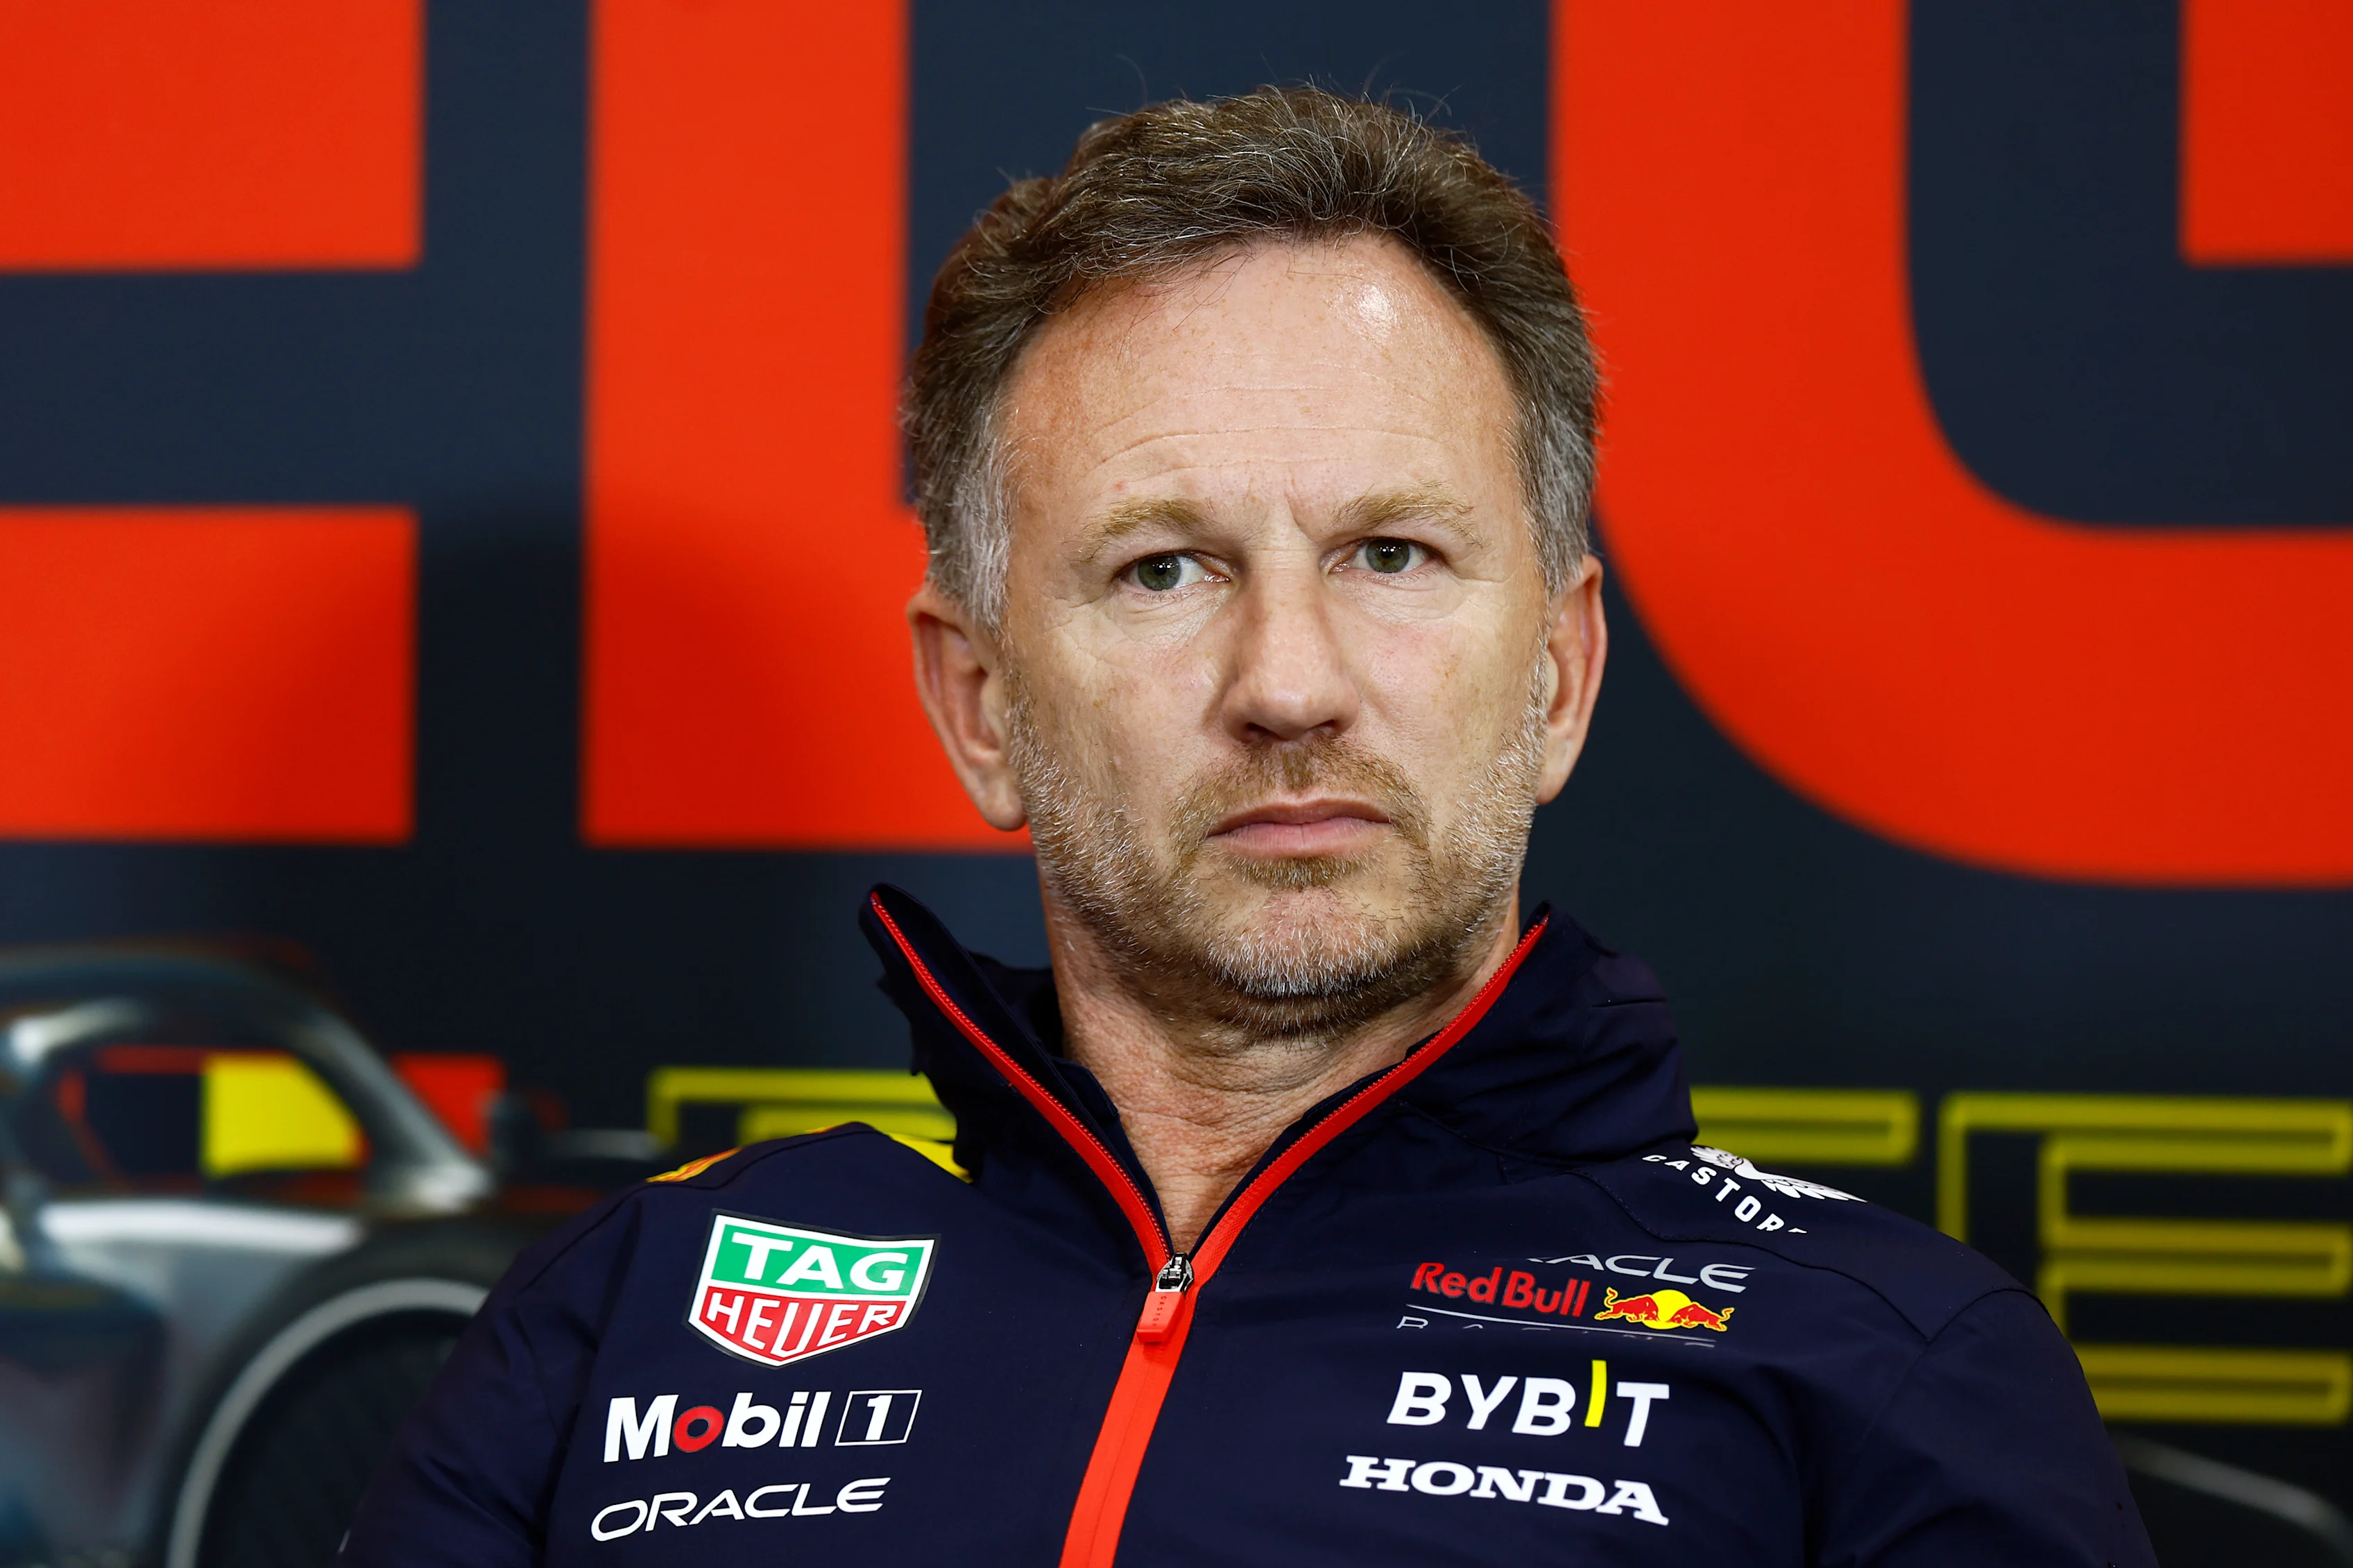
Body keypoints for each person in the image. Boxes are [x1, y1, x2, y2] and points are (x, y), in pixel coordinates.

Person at [343, 87, 2153, 1566]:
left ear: (1559, 678)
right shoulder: (630, 1315)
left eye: (1391, 553)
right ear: (980, 704)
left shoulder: (1883, 1370)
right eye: (1163, 568)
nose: (1289, 681)